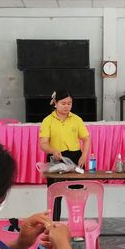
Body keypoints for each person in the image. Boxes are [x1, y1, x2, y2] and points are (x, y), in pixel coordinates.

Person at [39, 89, 91, 220]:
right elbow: (43, 144)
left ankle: (77, 224)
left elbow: (86, 139)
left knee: (77, 194)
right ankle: (55, 224)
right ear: (55, 103)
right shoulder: (48, 121)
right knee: (55, 194)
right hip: (56, 158)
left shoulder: (77, 119)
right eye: (63, 103)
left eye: (69, 103)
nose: (66, 106)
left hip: (76, 158)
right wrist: (52, 150)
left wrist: (84, 155)